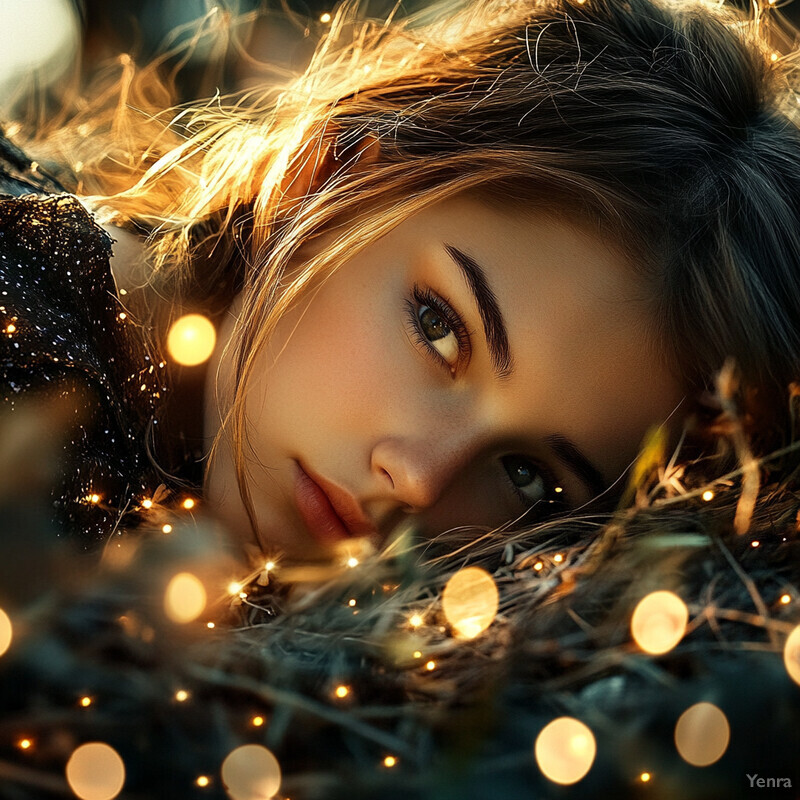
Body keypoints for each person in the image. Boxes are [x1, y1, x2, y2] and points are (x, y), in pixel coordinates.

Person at [2, 0, 800, 570]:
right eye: (440, 326)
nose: (419, 479)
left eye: (530, 477)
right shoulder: (25, 337)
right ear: (326, 179)